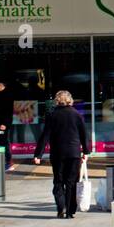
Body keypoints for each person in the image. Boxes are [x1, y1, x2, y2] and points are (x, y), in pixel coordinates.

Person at [32, 90, 89, 219]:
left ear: (57, 101)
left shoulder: (52, 115)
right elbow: (84, 134)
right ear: (70, 100)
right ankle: (69, 211)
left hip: (57, 153)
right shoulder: (77, 114)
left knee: (58, 181)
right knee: (71, 182)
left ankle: (60, 207)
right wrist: (86, 151)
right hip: (74, 153)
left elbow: (45, 135)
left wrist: (38, 154)